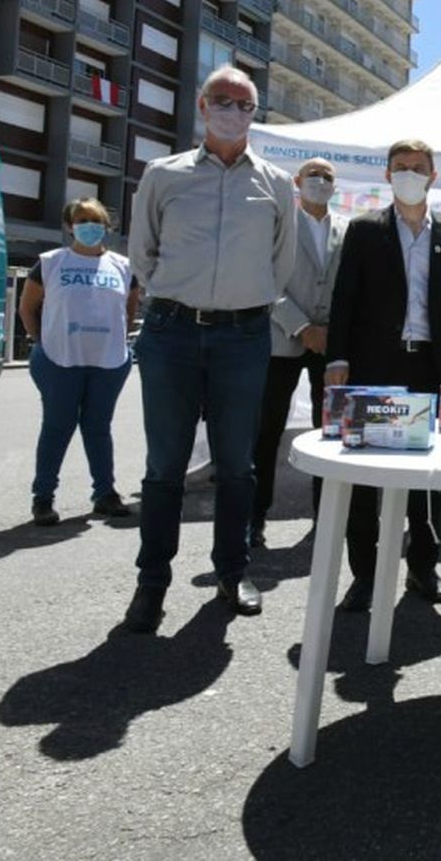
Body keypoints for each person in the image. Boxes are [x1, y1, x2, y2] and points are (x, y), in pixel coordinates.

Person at [124, 65, 296, 631]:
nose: (232, 109)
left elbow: (282, 264)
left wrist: (244, 302)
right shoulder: (162, 174)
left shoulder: (275, 183)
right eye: (222, 99)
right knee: (164, 466)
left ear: (255, 113)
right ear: (202, 106)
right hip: (171, 331)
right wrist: (179, 295)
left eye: (244, 103)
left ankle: (232, 571)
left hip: (244, 335)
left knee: (237, 465)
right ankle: (152, 583)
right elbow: (142, 253)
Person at [325, 139, 441, 613]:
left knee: (427, 477)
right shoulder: (364, 230)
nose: (409, 174)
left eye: (417, 168)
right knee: (366, 476)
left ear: (433, 177)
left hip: (433, 368)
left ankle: (422, 567)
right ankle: (366, 577)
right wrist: (337, 360)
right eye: (400, 168)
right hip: (375, 367)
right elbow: (344, 300)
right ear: (387, 175)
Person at [18, 198, 137, 526]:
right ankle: (43, 498)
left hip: (109, 361)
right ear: (69, 226)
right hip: (59, 360)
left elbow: (129, 310)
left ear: (106, 227)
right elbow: (28, 309)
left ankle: (105, 494)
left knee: (99, 428)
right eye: (82, 220)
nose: (90, 227)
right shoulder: (50, 263)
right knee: (57, 427)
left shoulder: (124, 267)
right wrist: (42, 341)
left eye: (96, 221)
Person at [250, 157, 347, 548]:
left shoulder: (346, 228)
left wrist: (328, 333)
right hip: (282, 339)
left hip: (330, 343)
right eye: (314, 175)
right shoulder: (278, 222)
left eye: (327, 177)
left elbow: (348, 285)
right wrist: (302, 327)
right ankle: (253, 518)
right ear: (297, 181)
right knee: (266, 431)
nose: (320, 182)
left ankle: (325, 514)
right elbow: (265, 281)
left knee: (330, 431)